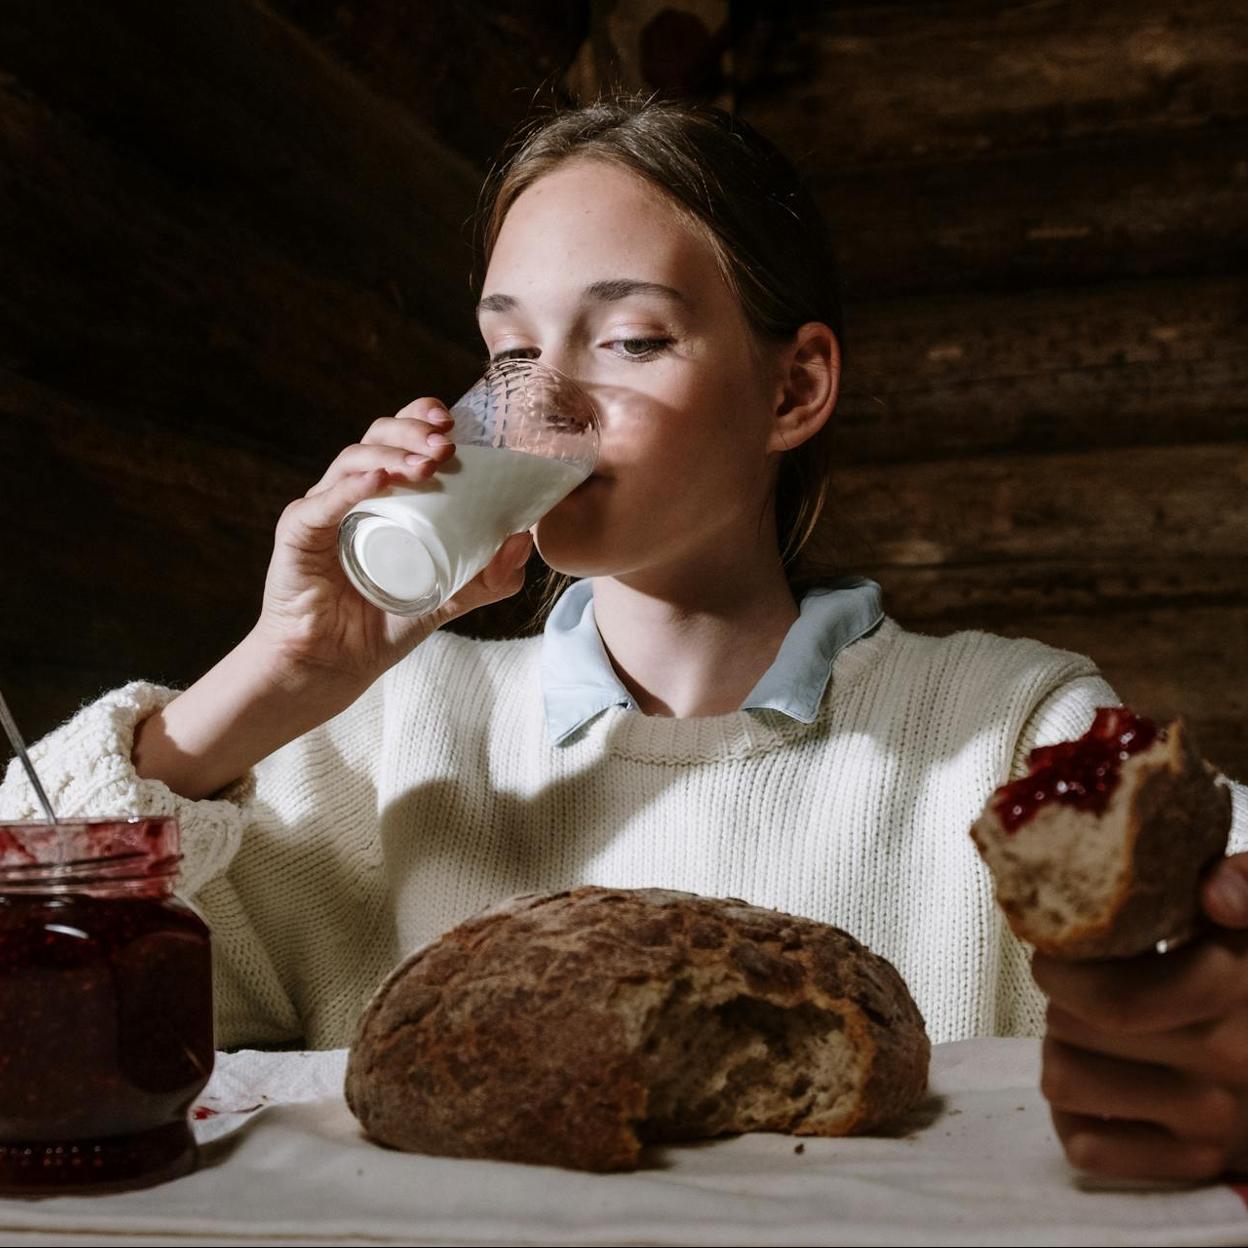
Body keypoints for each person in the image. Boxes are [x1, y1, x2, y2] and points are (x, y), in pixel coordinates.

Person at [4, 94, 1247, 1184]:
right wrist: (268, 682)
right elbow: (34, 980)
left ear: (793, 390)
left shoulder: (1009, 727)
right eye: (509, 351)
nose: (545, 402)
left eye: (632, 337)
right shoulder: (389, 729)